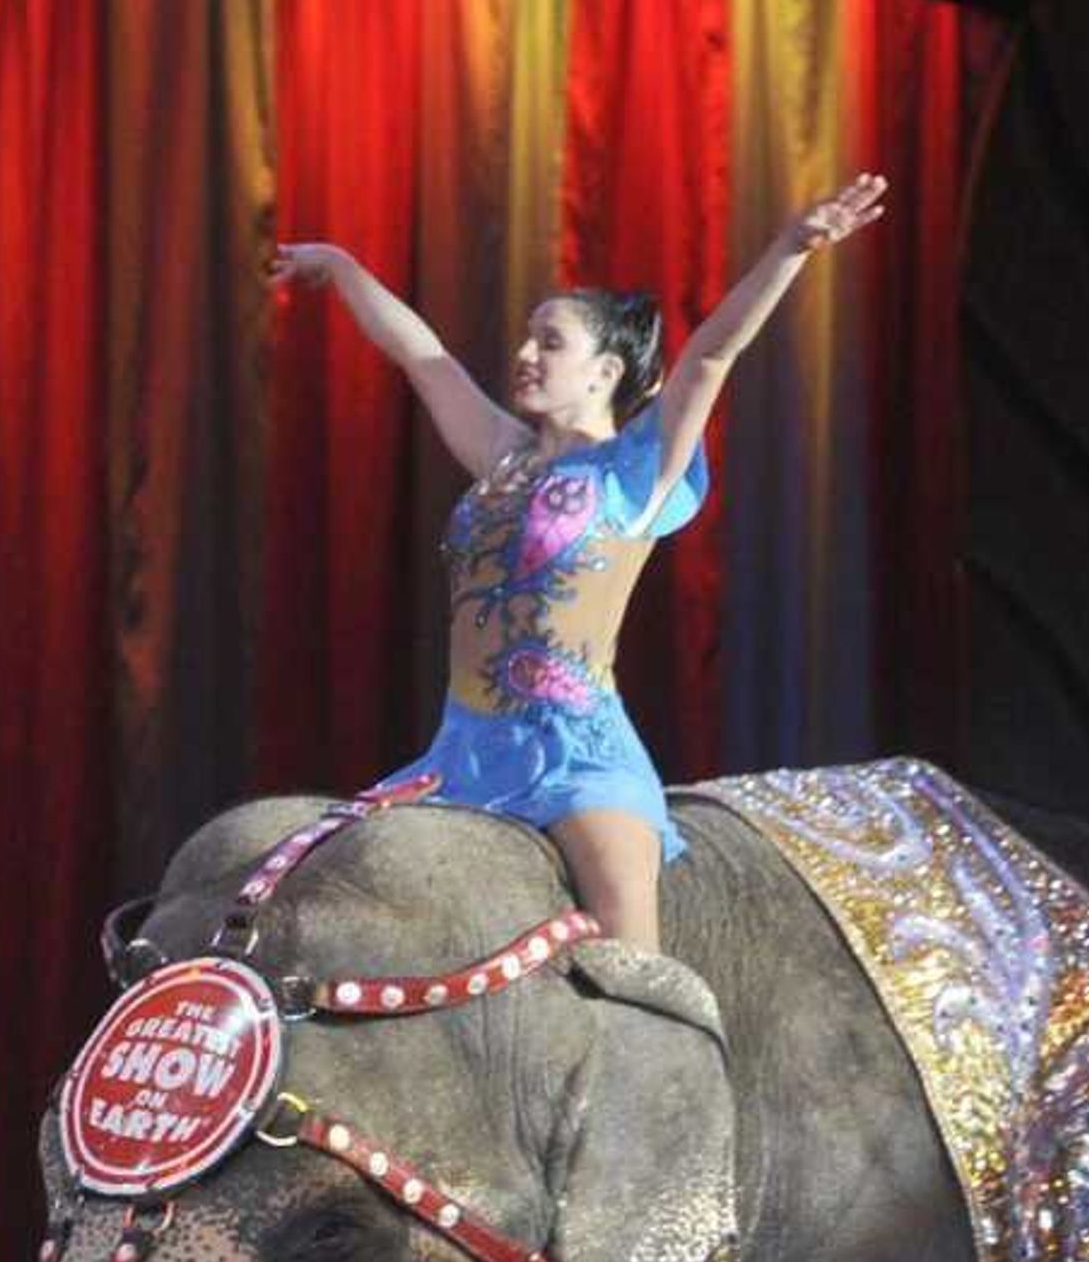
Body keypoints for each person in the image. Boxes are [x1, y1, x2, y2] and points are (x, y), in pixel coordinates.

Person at [268, 173, 889, 950]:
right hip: (461, 754)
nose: (525, 354)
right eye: (527, 338)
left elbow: (711, 355)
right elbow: (420, 355)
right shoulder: (502, 456)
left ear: (604, 372)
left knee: (634, 971)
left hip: (579, 760)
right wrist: (342, 265)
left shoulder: (636, 473)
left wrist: (794, 248)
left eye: (550, 343)